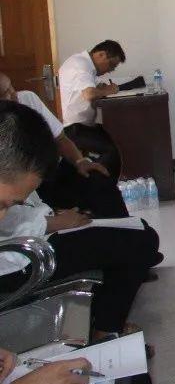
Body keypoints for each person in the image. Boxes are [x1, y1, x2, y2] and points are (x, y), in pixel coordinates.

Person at [0, 100, 163, 345]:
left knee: (136, 231)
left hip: (33, 236)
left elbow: (18, 212)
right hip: (22, 257)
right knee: (140, 242)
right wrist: (52, 222)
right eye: (4, 204)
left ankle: (101, 321)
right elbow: (13, 223)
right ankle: (105, 332)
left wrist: (48, 215)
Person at [0, 75, 125, 219]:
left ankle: (127, 225)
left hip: (55, 168)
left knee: (98, 181)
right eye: (6, 93)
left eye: (11, 87)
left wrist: (80, 161)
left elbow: (60, 138)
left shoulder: (28, 99)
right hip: (28, 184)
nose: (14, 94)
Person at [57, 40, 126, 176]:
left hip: (83, 125)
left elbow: (88, 89)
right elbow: (89, 94)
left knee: (117, 138)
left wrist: (100, 88)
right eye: (111, 65)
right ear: (101, 54)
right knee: (113, 150)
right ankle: (101, 183)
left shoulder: (83, 63)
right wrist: (109, 90)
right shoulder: (81, 65)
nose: (110, 70)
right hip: (74, 129)